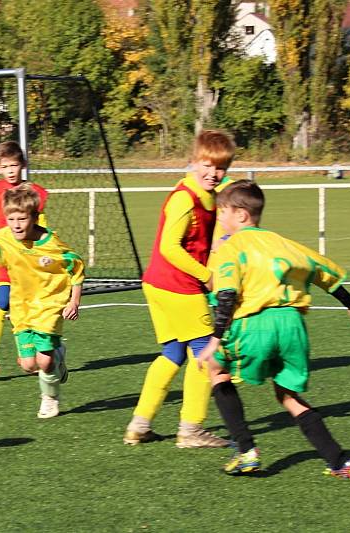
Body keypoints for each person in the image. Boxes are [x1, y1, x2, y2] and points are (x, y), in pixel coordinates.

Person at [196, 180, 350, 479]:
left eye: (223, 212)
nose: (220, 219)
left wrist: (215, 338)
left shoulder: (232, 247)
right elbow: (324, 274)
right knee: (288, 395)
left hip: (256, 323)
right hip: (292, 326)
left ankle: (245, 450)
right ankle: (341, 462)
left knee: (216, 368)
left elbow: (226, 295)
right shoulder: (283, 242)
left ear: (240, 215)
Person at [123, 130, 234, 449]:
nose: (213, 173)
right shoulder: (185, 198)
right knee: (207, 355)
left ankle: (139, 424)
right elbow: (170, 247)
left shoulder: (209, 192)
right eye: (207, 165)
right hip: (177, 286)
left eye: (221, 167)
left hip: (158, 284)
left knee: (172, 354)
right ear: (193, 161)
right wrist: (207, 275)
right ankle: (191, 429)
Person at [0, 183, 83, 418]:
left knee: (44, 364)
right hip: (21, 308)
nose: (16, 225)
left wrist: (74, 301)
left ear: (35, 217)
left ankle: (50, 398)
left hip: (48, 306)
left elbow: (76, 269)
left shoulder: (51, 243)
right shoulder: (3, 239)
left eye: (22, 219)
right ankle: (59, 354)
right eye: (11, 219)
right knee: (28, 365)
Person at [0, 141, 49, 375]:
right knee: (4, 301)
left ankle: (25, 353)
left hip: (26, 260)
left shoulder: (34, 192)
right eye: (5, 166)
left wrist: (43, 252)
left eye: (14, 165)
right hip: (0, 259)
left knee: (24, 304)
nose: (10, 171)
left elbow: (42, 224)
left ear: (23, 165)